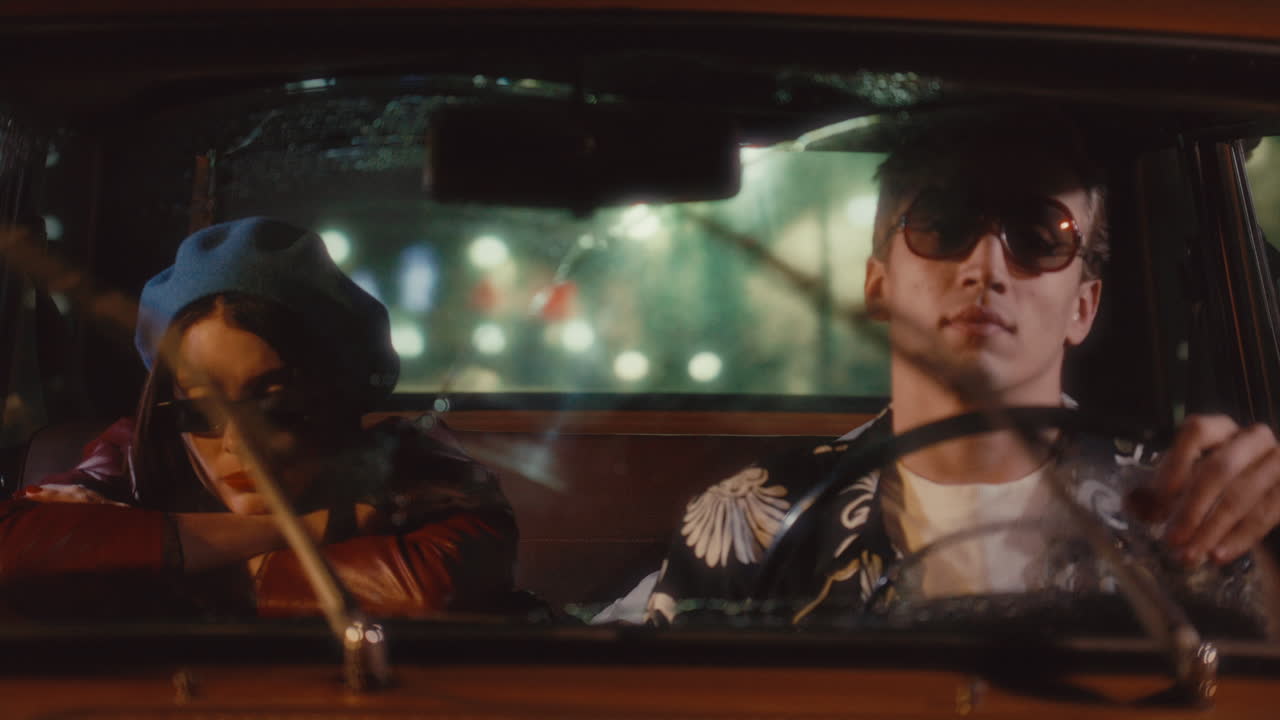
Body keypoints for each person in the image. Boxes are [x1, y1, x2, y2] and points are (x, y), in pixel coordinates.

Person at [641, 111, 1280, 628]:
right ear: (878, 284)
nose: (986, 266)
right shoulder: (753, 520)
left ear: (1082, 306)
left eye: (1038, 233)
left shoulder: (1186, 514)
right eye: (942, 224)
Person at [0, 217, 517, 619]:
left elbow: (428, 589)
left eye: (274, 404)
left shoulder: (414, 464)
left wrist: (168, 562)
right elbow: (14, 551)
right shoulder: (136, 454)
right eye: (202, 408)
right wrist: (307, 530)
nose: (237, 444)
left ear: (334, 398)